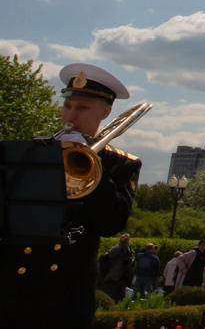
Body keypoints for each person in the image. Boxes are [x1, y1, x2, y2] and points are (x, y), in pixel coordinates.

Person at [0, 63, 142, 329]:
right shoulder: (32, 153)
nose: (71, 115)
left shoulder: (120, 164)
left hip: (67, 292)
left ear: (106, 111)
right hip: (13, 286)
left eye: (82, 108)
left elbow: (113, 224)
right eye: (68, 106)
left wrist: (91, 159)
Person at [101, 233, 136, 300]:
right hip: (113, 278)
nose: (126, 242)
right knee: (110, 297)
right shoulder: (117, 248)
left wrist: (132, 262)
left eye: (127, 240)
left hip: (123, 279)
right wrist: (120, 243)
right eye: (125, 240)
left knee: (120, 299)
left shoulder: (130, 251)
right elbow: (111, 254)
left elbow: (133, 264)